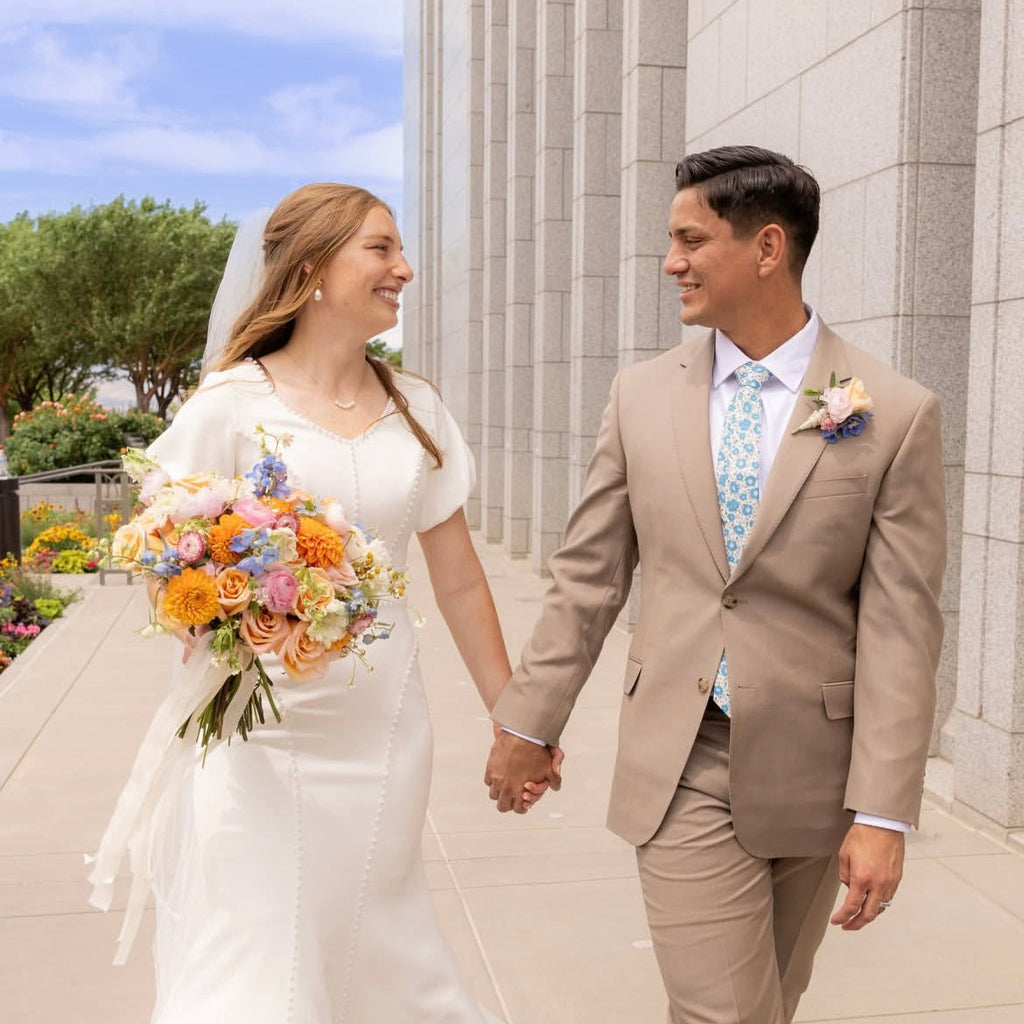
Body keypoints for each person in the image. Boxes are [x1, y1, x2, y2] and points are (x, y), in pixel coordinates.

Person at [484, 146, 946, 1023]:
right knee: (724, 1014)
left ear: (767, 248)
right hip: (683, 755)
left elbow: (901, 626)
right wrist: (526, 719)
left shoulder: (890, 407)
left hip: (819, 773)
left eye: (690, 240)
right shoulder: (641, 397)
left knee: (767, 1001)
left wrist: (885, 812)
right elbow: (588, 575)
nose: (671, 263)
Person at [95, 183, 555, 1023]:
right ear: (312, 269)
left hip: (382, 729)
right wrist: (230, 607)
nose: (404, 268)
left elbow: (457, 581)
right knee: (258, 954)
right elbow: (165, 558)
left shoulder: (419, 410)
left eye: (400, 250)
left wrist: (515, 719)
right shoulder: (232, 404)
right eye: (381, 249)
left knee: (372, 944)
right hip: (254, 734)